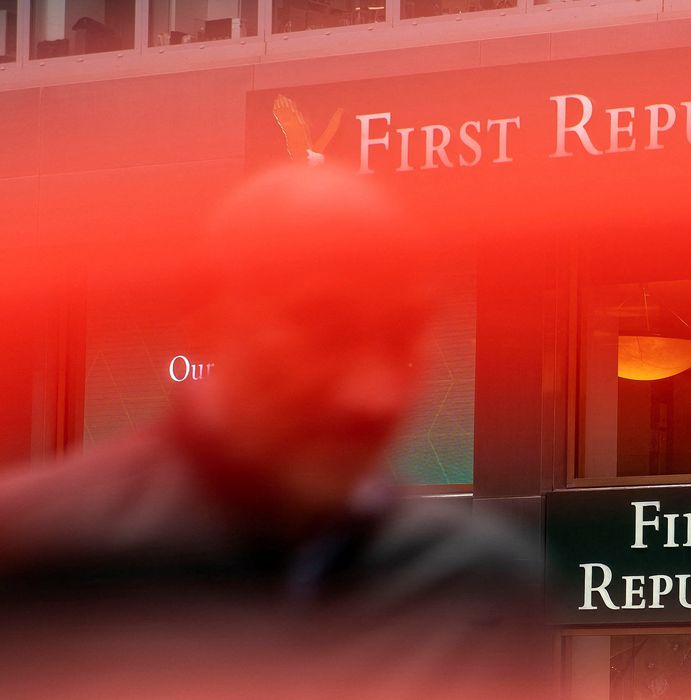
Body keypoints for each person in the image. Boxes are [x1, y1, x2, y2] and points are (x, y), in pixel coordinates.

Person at [0, 166, 552, 699]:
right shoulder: (34, 554)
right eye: (323, 329)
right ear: (206, 322)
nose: (374, 395)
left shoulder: (482, 586)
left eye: (404, 336)